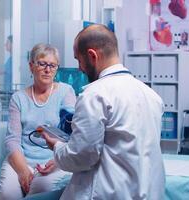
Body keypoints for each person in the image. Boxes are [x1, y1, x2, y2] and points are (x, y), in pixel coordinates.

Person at [41, 24, 166, 199]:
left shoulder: (94, 95)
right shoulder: (152, 96)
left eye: (79, 60)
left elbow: (81, 157)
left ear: (92, 56)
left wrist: (57, 146)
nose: (79, 68)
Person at [0, 43, 76, 199]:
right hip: (22, 159)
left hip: (55, 159)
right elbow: (12, 139)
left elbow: (71, 134)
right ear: (31, 66)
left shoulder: (66, 92)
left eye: (52, 65)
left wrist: (56, 160)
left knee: (42, 187)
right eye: (42, 64)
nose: (48, 70)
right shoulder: (18, 98)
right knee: (8, 194)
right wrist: (22, 171)